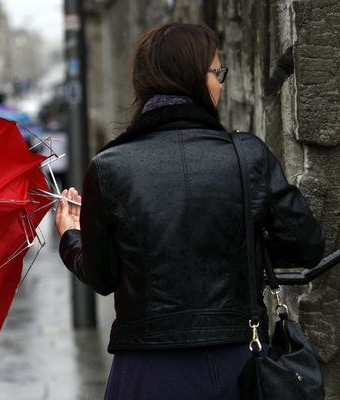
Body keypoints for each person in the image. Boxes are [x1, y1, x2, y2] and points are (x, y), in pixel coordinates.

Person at [54, 23, 325, 400]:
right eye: (216, 72)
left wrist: (71, 236)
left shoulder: (109, 168)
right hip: (238, 363)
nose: (221, 83)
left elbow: (103, 276)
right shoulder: (246, 156)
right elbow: (304, 246)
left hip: (145, 371)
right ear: (193, 78)